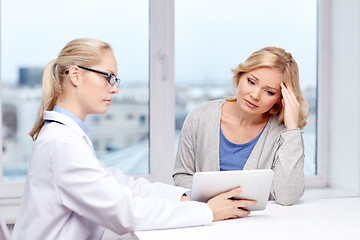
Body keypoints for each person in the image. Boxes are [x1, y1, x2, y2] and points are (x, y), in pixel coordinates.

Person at [11, 38, 257, 240]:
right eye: (108, 77)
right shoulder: (62, 144)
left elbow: (122, 185)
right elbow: (124, 212)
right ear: (75, 75)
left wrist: (186, 198)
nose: (115, 88)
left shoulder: (66, 137)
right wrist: (206, 211)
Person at [173, 47, 308, 206]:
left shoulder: (283, 134)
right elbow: (182, 176)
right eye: (251, 82)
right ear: (240, 76)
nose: (255, 95)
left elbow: (287, 196)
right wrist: (215, 207)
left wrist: (292, 127)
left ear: (281, 98)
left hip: (258, 226)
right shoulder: (200, 117)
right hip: (207, 221)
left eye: (269, 92)